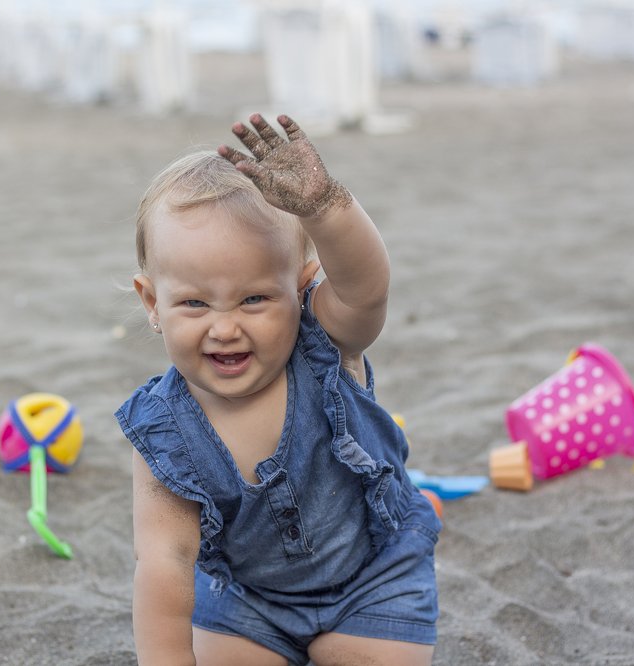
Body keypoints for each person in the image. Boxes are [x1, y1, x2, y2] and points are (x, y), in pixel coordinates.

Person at [115, 113, 441, 666]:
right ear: (153, 304)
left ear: (301, 285)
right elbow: (164, 565)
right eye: (195, 303)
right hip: (250, 601)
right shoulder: (163, 432)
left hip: (373, 576)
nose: (224, 327)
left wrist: (325, 206)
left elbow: (366, 290)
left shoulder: (325, 342)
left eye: (254, 300)